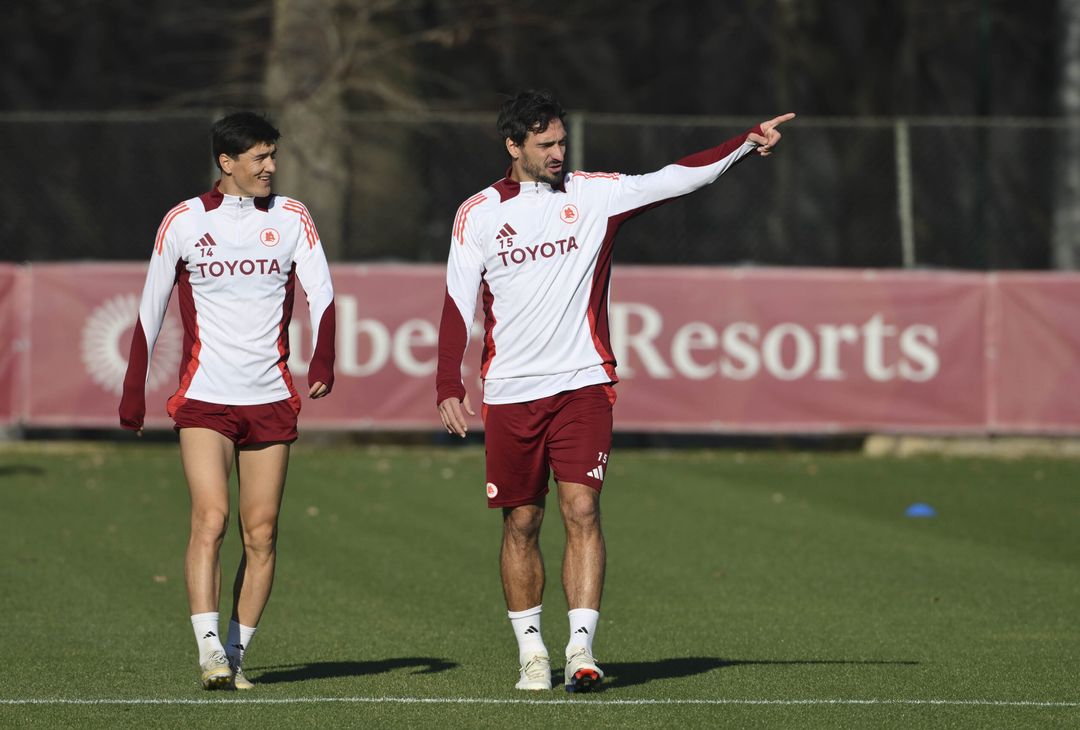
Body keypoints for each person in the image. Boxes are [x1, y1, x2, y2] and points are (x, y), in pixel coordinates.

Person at [436, 90, 793, 692]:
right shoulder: (477, 214)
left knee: (583, 510)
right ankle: (531, 651)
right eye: (545, 143)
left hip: (584, 383)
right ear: (513, 145)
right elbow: (454, 303)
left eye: (561, 141)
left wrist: (743, 143)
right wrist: (449, 382)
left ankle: (580, 648)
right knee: (521, 521)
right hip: (511, 391)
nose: (558, 152)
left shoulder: (593, 195)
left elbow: (673, 179)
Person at [119, 111, 336, 690]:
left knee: (261, 534)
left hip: (270, 400)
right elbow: (150, 307)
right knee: (210, 520)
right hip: (205, 399)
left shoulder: (293, 217)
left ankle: (236, 655)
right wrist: (132, 391)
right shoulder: (184, 221)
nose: (271, 167)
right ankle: (210, 649)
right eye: (260, 157)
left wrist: (324, 358)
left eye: (273, 156)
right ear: (227, 163)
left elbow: (324, 293)